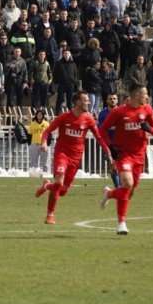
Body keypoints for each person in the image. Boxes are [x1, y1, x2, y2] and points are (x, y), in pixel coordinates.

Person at [35, 92, 111, 225]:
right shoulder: (64, 117)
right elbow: (47, 131)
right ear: (77, 102)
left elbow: (99, 137)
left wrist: (109, 153)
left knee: (62, 191)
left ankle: (47, 185)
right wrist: (43, 143)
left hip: (76, 159)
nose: (88, 102)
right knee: (58, 183)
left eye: (88, 100)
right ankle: (50, 214)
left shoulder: (89, 119)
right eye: (85, 100)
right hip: (62, 154)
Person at [98, 86, 153, 235]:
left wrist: (149, 129)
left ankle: (110, 194)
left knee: (129, 192)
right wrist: (111, 147)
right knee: (127, 183)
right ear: (136, 95)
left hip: (139, 155)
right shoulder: (119, 111)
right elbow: (102, 129)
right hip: (124, 154)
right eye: (145, 94)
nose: (147, 97)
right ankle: (121, 223)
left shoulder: (147, 110)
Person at [97, 93, 120, 187]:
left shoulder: (121, 112)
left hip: (121, 143)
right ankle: (118, 186)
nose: (112, 100)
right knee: (113, 165)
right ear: (106, 101)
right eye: (110, 98)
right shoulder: (102, 114)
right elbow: (101, 130)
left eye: (114, 98)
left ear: (117, 100)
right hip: (108, 143)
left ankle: (121, 186)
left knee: (122, 165)